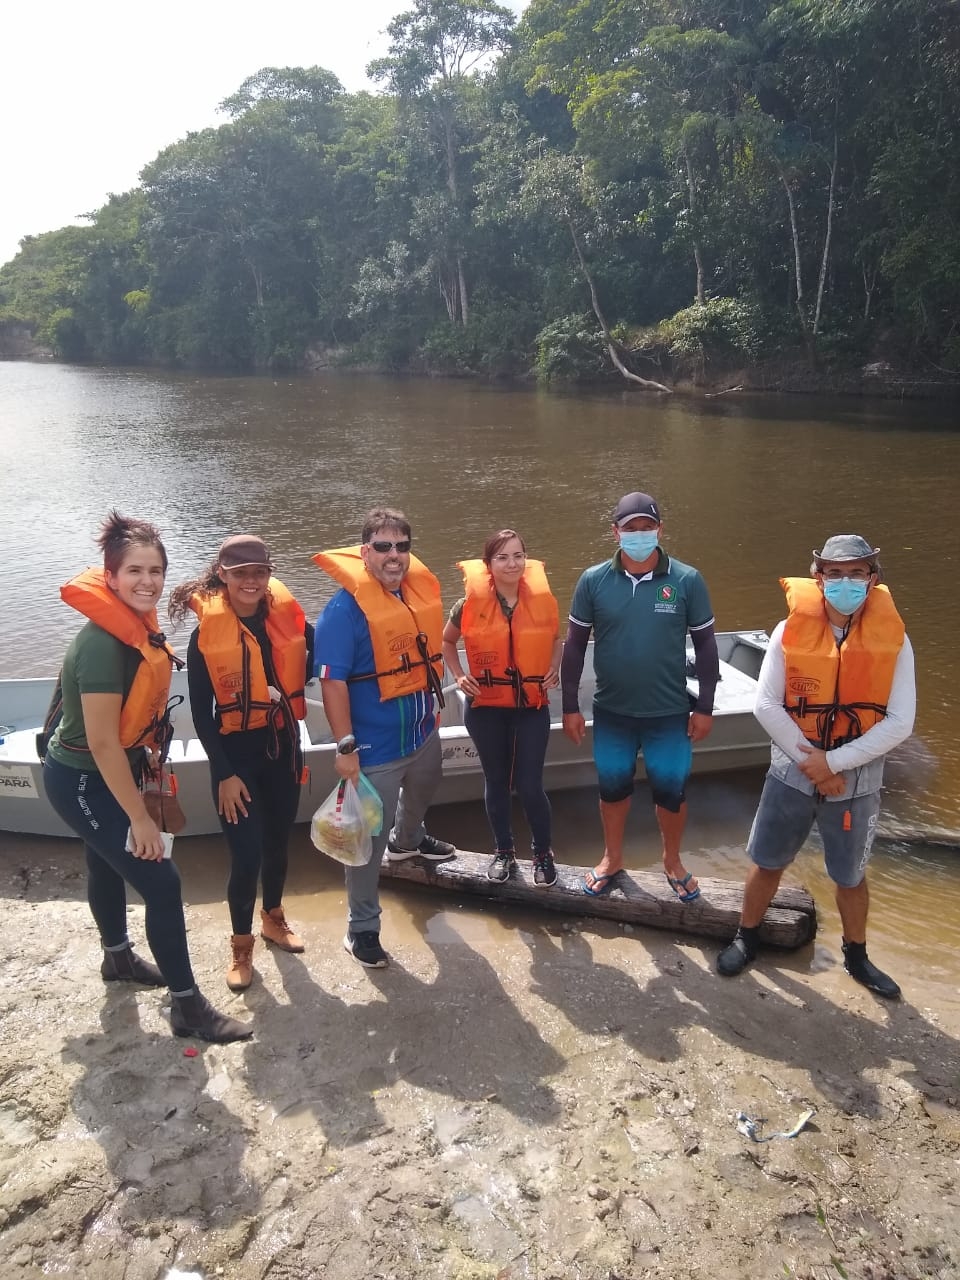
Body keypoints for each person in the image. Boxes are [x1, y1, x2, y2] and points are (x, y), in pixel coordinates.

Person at [41, 512, 251, 1043]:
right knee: (162, 880)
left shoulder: (136, 629)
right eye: (134, 571)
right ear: (109, 577)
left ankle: (118, 960)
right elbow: (104, 742)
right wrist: (139, 818)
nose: (147, 582)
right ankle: (188, 1009)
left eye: (156, 571)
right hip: (83, 779)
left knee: (103, 863)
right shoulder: (102, 646)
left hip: (116, 771)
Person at [716, 535, 915, 998]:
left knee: (850, 876)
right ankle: (746, 937)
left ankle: (857, 956)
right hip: (792, 772)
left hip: (857, 782)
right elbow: (766, 706)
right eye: (835, 573)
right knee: (767, 862)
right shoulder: (789, 631)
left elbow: (901, 722)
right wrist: (814, 764)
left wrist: (835, 762)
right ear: (818, 578)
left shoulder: (896, 641)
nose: (846, 582)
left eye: (857, 573)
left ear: (873, 579)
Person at [169, 535, 314, 993]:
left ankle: (274, 919)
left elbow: (318, 669)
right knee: (246, 856)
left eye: (259, 572)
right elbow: (202, 715)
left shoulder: (291, 627)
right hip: (236, 760)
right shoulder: (204, 638)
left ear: (269, 574)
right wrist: (225, 774)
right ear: (223, 577)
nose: (250, 581)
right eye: (240, 573)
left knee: (277, 846)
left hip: (283, 752)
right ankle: (241, 945)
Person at [313, 507, 455, 969]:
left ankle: (409, 839)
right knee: (365, 845)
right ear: (365, 553)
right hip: (374, 749)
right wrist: (345, 746)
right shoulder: (343, 611)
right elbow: (332, 683)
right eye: (383, 546)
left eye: (402, 546)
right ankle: (362, 929)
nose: (394, 555)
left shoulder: (414, 596)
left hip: (422, 733)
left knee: (426, 787)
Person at [561, 491, 719, 900]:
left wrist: (705, 706)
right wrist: (569, 707)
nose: (639, 535)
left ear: (660, 530)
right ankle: (612, 858)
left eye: (647, 528)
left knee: (671, 791)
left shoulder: (687, 580)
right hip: (613, 711)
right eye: (630, 529)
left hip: (669, 712)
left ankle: (672, 860)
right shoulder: (593, 580)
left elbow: (706, 646)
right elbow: (575, 646)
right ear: (615, 533)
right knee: (612, 790)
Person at [442, 530, 562, 885]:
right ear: (488, 565)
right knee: (496, 781)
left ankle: (542, 853)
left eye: (517, 556)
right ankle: (504, 851)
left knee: (529, 784)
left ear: (526, 559)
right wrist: (460, 675)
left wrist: (554, 666)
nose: (512, 564)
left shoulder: (542, 599)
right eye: (502, 557)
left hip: (530, 706)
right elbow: (447, 641)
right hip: (486, 708)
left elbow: (556, 639)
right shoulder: (467, 604)